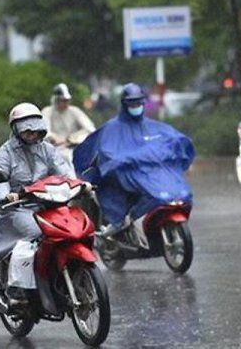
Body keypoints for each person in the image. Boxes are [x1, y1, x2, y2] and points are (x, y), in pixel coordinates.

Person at [73, 83, 195, 238]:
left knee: (175, 190)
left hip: (153, 172)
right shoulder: (112, 128)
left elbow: (173, 140)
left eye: (139, 103)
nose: (136, 106)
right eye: (132, 103)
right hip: (127, 173)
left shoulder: (153, 126)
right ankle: (120, 222)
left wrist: (177, 152)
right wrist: (116, 162)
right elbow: (104, 151)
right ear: (124, 104)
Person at [0, 102, 75, 302]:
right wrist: (6, 195)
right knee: (35, 233)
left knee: (70, 228)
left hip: (49, 203)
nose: (32, 135)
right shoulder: (5, 153)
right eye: (27, 131)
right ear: (16, 129)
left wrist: (78, 184)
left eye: (36, 130)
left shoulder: (48, 150)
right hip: (19, 208)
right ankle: (18, 286)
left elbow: (64, 171)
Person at [41, 83, 96, 164]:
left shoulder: (74, 111)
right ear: (56, 100)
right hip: (54, 149)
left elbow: (90, 129)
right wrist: (53, 137)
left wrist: (71, 139)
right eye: (62, 100)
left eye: (66, 101)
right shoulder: (47, 111)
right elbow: (44, 130)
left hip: (74, 147)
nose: (65, 103)